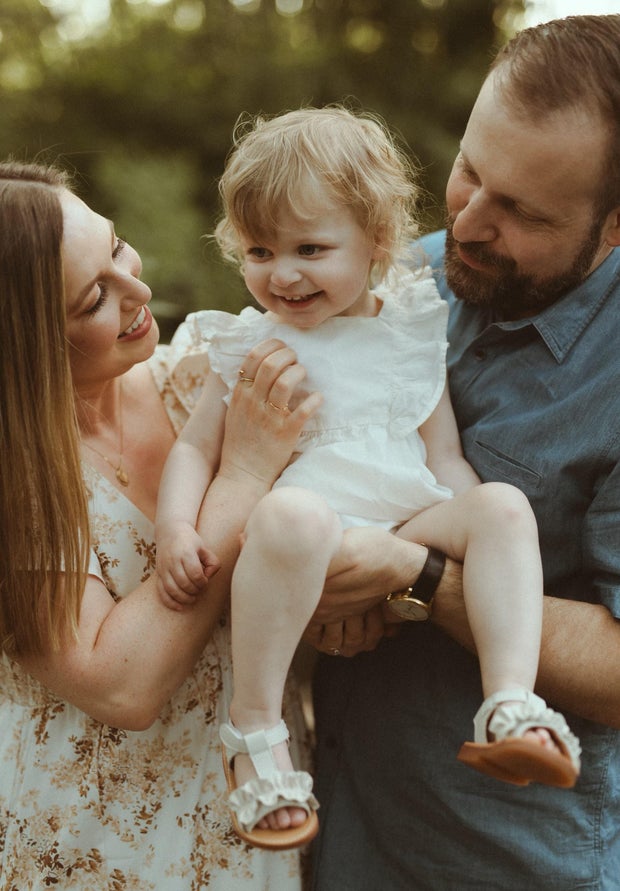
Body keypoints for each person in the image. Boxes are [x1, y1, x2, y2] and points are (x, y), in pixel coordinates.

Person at [154, 107, 580, 851]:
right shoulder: (252, 343)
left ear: (378, 242)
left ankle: (510, 702)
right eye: (259, 250)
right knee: (294, 515)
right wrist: (175, 528)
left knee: (504, 505)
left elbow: (442, 455)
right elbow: (195, 449)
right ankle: (254, 729)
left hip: (406, 523)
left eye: (310, 249)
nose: (282, 273)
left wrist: (465, 526)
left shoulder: (409, 328)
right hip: (305, 537)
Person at [307, 14, 620, 891]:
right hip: (335, 824)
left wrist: (415, 578)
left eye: (522, 211)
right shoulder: (394, 279)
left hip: (503, 858)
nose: (469, 223)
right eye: (471, 171)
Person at [0, 160, 323, 890]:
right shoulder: (20, 477)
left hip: (257, 825)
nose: (138, 292)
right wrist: (244, 478)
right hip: (100, 855)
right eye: (95, 299)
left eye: (117, 248)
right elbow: (121, 686)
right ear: (26, 345)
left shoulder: (197, 383)